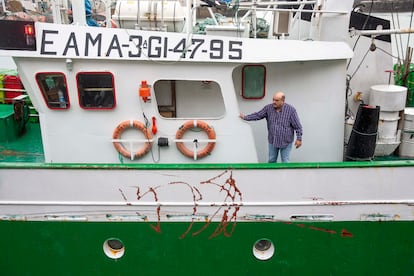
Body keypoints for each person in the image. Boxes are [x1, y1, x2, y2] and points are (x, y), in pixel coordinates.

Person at [240, 91, 303, 163]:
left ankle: (284, 174)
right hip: (272, 140)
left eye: (276, 100)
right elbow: (258, 115)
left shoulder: (291, 110)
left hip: (286, 141)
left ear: (282, 101)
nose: (274, 102)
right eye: (273, 99)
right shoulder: (268, 108)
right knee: (271, 160)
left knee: (285, 161)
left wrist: (299, 139)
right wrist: (245, 117)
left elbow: (298, 126)